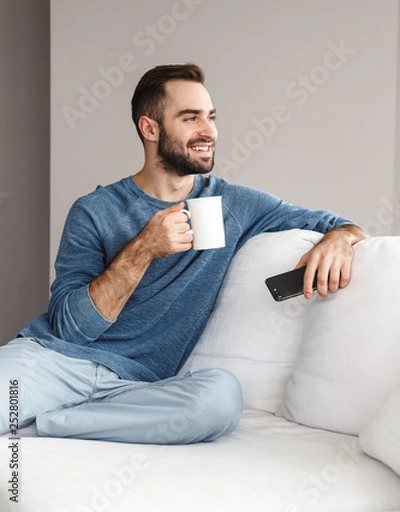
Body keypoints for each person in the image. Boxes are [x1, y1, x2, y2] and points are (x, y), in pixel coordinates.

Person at [0, 63, 366, 444]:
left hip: (139, 387)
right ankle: (53, 416)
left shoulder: (232, 204)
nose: (208, 132)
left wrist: (339, 239)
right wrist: (143, 249)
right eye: (191, 118)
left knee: (219, 399)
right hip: (53, 363)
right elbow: (70, 328)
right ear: (150, 128)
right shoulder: (95, 209)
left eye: (210, 117)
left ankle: (48, 425)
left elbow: (340, 224)